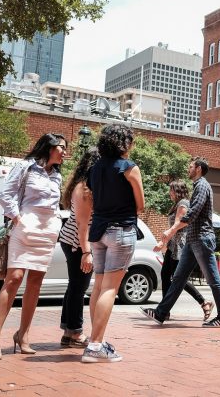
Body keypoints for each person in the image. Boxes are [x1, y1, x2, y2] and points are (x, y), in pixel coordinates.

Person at [0, 133, 67, 360]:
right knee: (13, 279)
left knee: (35, 283)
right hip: (25, 227)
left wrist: (56, 225)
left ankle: (23, 335)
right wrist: (17, 218)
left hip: (48, 231)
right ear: (48, 147)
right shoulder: (25, 167)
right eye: (61, 147)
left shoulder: (57, 175)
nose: (64, 152)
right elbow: (6, 195)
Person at [142, 156, 220, 327]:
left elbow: (192, 214)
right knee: (178, 278)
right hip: (192, 240)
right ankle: (161, 313)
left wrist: (171, 230)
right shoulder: (197, 186)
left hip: (201, 238)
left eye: (190, 166)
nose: (188, 169)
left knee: (213, 279)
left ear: (198, 168)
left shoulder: (202, 186)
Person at [81, 125, 145, 363]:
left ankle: (94, 340)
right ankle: (95, 346)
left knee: (98, 288)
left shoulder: (94, 169)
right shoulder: (129, 168)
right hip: (121, 230)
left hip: (98, 231)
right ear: (124, 143)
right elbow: (141, 204)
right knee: (110, 289)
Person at [153, 180, 214, 321]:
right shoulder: (177, 205)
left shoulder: (183, 204)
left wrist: (163, 240)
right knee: (166, 274)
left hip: (180, 245)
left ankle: (204, 302)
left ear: (177, 191)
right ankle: (164, 310)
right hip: (173, 245)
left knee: (178, 278)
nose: (169, 193)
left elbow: (178, 225)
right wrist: (164, 242)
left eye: (171, 190)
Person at [58, 147, 99, 348]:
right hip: (76, 243)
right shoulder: (84, 189)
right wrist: (87, 252)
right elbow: (83, 226)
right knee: (78, 287)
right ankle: (75, 332)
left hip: (72, 240)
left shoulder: (85, 185)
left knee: (75, 286)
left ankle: (68, 331)